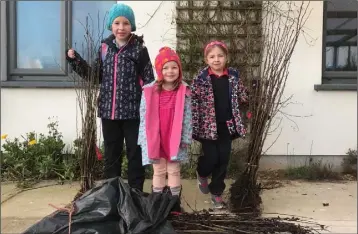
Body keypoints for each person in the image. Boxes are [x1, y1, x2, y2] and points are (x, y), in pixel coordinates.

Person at [65, 3, 155, 192]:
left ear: (132, 26)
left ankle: (135, 193)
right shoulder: (105, 49)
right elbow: (95, 75)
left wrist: (150, 110)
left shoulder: (139, 50)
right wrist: (76, 61)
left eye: (126, 23)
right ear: (110, 26)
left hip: (133, 114)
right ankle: (111, 193)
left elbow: (149, 81)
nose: (121, 27)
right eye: (117, 23)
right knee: (111, 155)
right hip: (109, 113)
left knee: (135, 154)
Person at [191, 40, 249, 209]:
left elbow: (241, 93)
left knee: (223, 159)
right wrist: (194, 124)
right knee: (211, 157)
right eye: (212, 56)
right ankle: (202, 173)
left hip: (226, 125)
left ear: (226, 57)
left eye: (220, 56)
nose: (216, 59)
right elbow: (193, 102)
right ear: (206, 59)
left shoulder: (233, 76)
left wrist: (248, 96)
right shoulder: (201, 78)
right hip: (207, 127)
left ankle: (216, 194)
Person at [138, 47, 192, 208]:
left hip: (175, 139)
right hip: (156, 138)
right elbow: (143, 116)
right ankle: (157, 203)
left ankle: (174, 204)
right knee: (159, 171)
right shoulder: (149, 91)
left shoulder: (184, 91)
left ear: (179, 69)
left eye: (174, 67)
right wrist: (143, 139)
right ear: (159, 70)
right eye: (165, 67)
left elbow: (188, 117)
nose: (170, 71)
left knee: (174, 171)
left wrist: (186, 138)